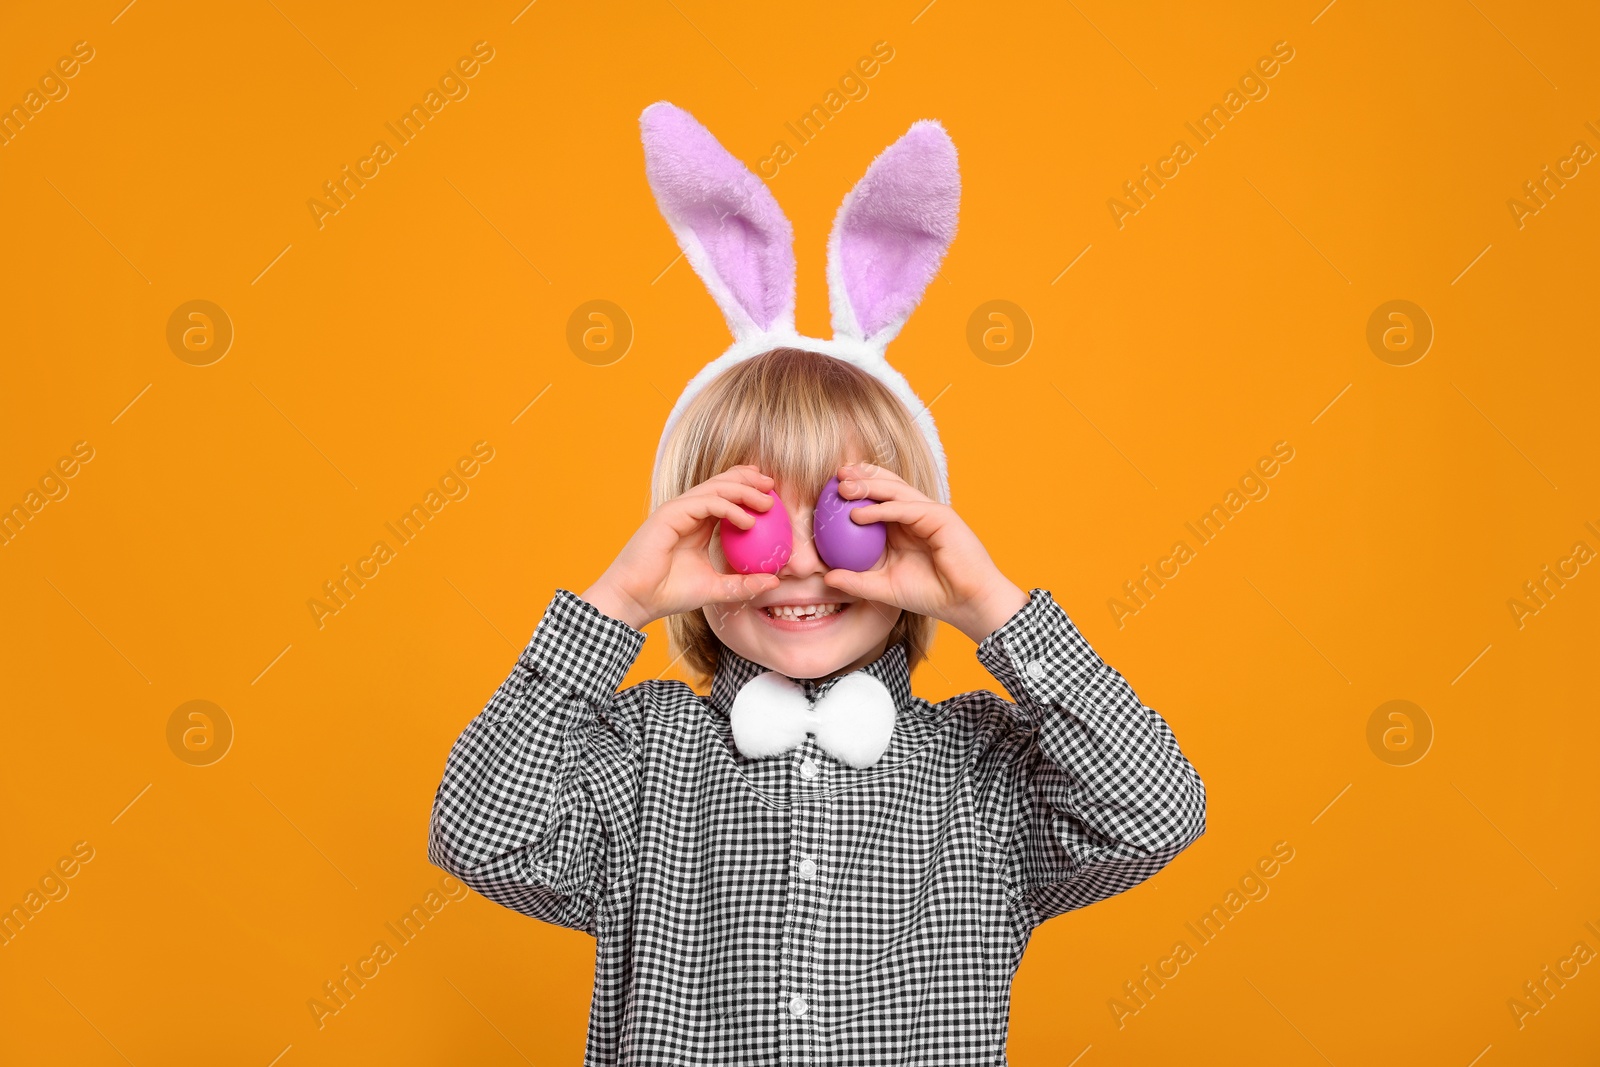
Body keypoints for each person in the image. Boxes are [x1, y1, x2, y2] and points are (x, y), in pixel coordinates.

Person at [428, 102, 1206, 1065]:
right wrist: (614, 607)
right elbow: (479, 836)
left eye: (843, 514)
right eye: (755, 517)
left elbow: (1155, 811)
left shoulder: (983, 773)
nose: (799, 561)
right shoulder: (640, 757)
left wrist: (991, 606)